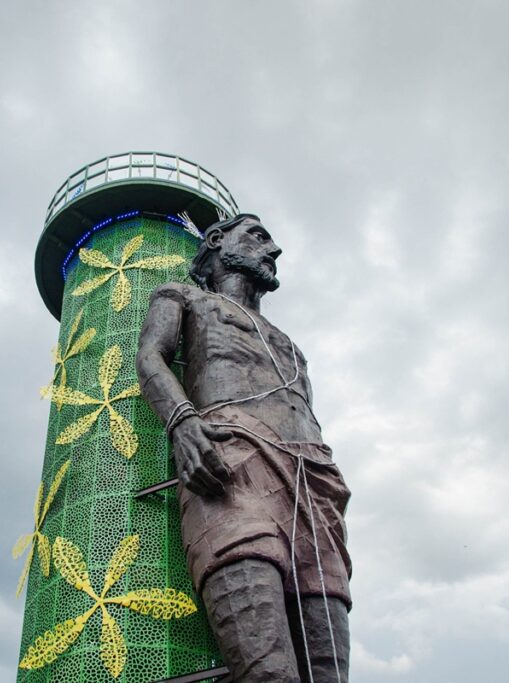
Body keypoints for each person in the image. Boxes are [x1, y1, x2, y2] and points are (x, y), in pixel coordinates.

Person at [136, 214, 352, 682]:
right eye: (258, 236)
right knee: (268, 671)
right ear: (216, 240)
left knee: (329, 671)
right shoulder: (186, 296)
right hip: (232, 466)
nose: (272, 250)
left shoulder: (291, 346)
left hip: (312, 480)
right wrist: (182, 421)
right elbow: (150, 355)